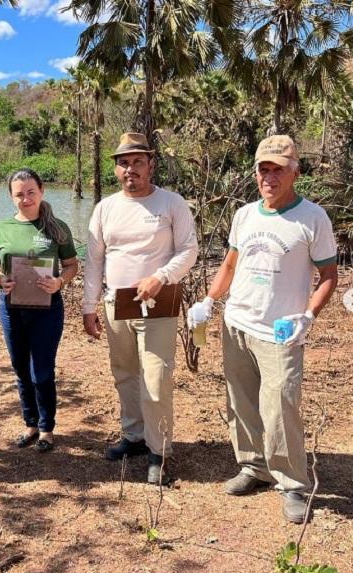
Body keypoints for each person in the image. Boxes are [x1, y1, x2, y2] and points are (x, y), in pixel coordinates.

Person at [188, 135, 338, 523]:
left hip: (281, 332)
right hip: (237, 321)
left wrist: (308, 315)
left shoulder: (313, 218)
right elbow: (230, 265)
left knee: (281, 408)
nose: (269, 177)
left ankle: (293, 485)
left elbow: (328, 276)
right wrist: (209, 301)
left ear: (295, 172)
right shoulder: (245, 215)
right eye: (263, 169)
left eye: (278, 169)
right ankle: (253, 466)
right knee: (241, 402)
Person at [83, 132, 198, 483]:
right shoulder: (105, 208)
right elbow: (94, 260)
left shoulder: (171, 203)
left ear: (150, 164)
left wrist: (161, 277)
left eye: (137, 162)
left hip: (158, 304)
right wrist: (89, 306)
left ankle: (159, 449)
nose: (130, 168)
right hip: (117, 304)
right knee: (125, 372)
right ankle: (133, 436)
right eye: (123, 163)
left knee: (157, 376)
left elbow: (189, 250)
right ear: (116, 169)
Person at [0, 168, 78, 452]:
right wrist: (0, 278)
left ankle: (47, 428)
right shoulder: (2, 228)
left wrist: (60, 281)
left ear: (41, 191)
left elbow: (72, 264)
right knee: (21, 368)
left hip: (47, 310)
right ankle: (30, 424)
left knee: (43, 370)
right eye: (19, 194)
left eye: (30, 192)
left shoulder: (57, 227)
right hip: (12, 309)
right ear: (12, 197)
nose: (25, 199)